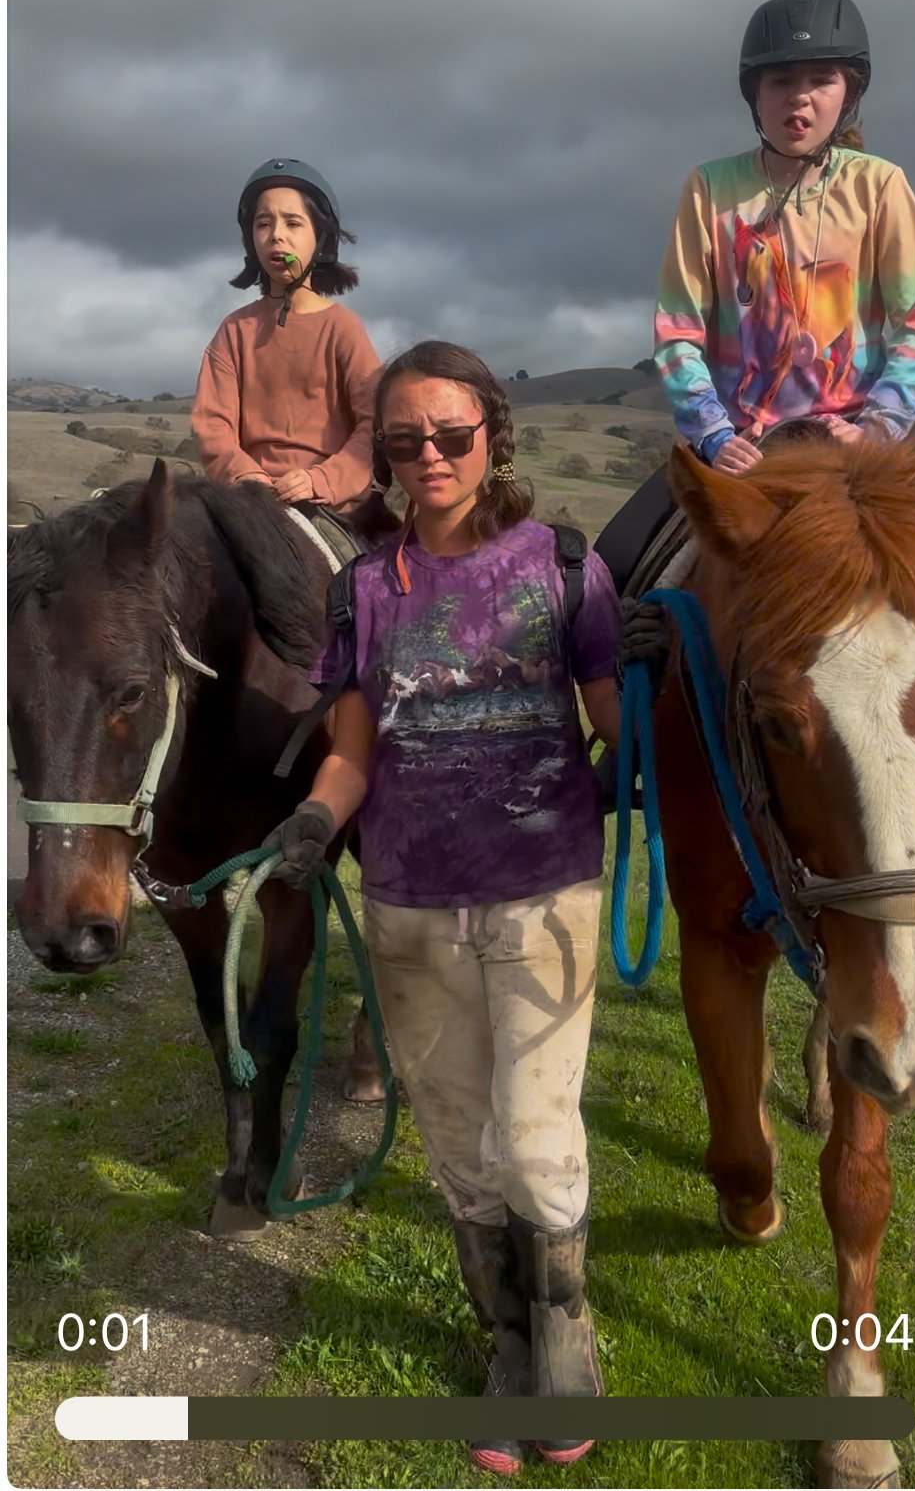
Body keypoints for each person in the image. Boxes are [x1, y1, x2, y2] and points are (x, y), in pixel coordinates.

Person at [265, 342, 622, 1475]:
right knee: (463, 1148)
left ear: (493, 434)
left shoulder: (562, 565)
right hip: (411, 902)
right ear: (382, 451)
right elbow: (352, 748)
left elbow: (616, 733)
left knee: (532, 1132)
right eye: (404, 439)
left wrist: (647, 690)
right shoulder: (363, 588)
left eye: (451, 434)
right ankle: (507, 1343)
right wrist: (317, 821)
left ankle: (567, 1333)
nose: (429, 456)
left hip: (541, 896)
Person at [607, 0, 915, 661]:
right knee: (612, 569)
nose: (800, 98)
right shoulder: (709, 188)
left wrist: (875, 430)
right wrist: (711, 434)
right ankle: (623, 743)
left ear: (847, 92)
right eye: (780, 80)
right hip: (744, 451)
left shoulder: (879, 186)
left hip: (854, 451)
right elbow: (678, 327)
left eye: (820, 80)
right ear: (752, 95)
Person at [192, 158, 382, 515]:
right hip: (249, 502)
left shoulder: (342, 327)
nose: (276, 234)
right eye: (263, 223)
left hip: (331, 504)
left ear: (321, 237)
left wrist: (321, 480)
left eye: (293, 223)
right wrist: (246, 476)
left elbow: (375, 423)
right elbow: (212, 424)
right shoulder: (233, 331)